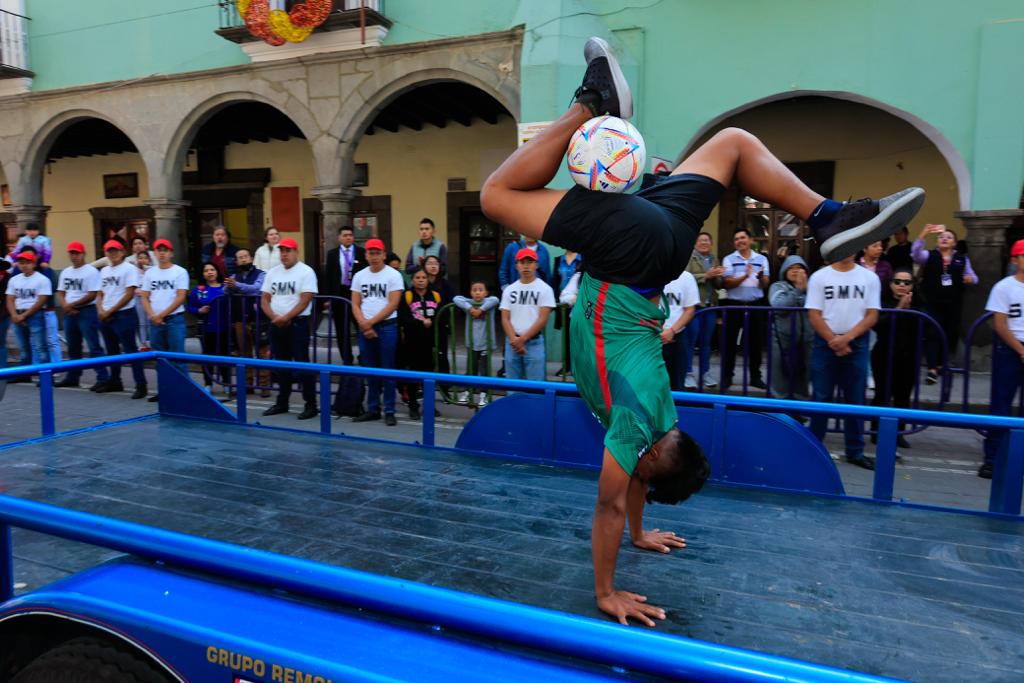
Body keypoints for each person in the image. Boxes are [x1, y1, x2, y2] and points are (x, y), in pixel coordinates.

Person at [478, 36, 922, 625]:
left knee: (733, 144)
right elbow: (611, 505)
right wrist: (607, 593)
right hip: (630, 254)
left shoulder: (661, 424)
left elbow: (636, 485)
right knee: (497, 196)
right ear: (649, 459)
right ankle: (589, 106)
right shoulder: (635, 432)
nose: (632, 476)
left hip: (661, 248)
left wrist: (641, 534)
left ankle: (827, 215)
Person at [806, 256, 881, 470]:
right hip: (826, 342)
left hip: (855, 342)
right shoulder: (819, 277)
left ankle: (855, 450)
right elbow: (814, 314)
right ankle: (814, 446)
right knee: (821, 397)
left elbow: (872, 315)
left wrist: (845, 339)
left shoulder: (869, 277)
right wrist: (834, 340)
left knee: (855, 398)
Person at [979, 240, 1024, 479]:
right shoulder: (1004, 287)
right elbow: (1000, 324)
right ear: (1015, 260)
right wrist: (1020, 350)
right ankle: (993, 459)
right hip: (1009, 348)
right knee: (1000, 405)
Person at [260, 238, 319, 420]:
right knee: (281, 365)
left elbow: (305, 299)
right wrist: (274, 317)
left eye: (288, 250)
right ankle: (282, 401)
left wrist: (286, 317)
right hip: (276, 324)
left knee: (302, 365)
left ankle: (311, 404)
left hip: (297, 324)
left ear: (296, 252)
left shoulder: (306, 271)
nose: (284, 254)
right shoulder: (273, 272)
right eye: (282, 251)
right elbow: (265, 299)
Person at [913, 224, 978, 385]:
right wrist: (923, 233)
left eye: (949, 237)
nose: (944, 239)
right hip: (933, 302)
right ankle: (932, 369)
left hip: (953, 303)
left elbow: (974, 278)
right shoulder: (929, 255)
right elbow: (915, 254)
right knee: (932, 333)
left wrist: (970, 278)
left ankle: (943, 364)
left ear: (954, 243)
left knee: (949, 334)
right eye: (941, 237)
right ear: (937, 241)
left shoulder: (962, 259)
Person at [350, 238, 404, 426]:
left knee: (388, 369)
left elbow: (393, 304)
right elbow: (355, 303)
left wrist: (369, 323)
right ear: (365, 255)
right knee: (370, 369)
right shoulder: (359, 276)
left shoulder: (393, 275)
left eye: (377, 253)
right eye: (370, 253)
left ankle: (389, 409)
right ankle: (373, 408)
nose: (373, 257)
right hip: (365, 327)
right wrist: (364, 324)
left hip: (387, 326)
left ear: (383, 255)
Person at [870, 266, 919, 450]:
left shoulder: (919, 303)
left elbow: (926, 326)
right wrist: (899, 309)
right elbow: (878, 325)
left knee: (903, 396)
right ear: (890, 284)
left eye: (907, 282)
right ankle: (875, 431)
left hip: (908, 356)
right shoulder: (882, 302)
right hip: (884, 354)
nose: (902, 285)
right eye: (897, 281)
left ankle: (899, 433)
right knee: (882, 393)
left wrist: (909, 309)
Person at [720, 227, 770, 390]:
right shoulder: (729, 259)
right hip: (734, 305)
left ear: (750, 240)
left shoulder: (761, 259)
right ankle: (727, 376)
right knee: (729, 342)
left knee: (756, 343)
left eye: (742, 238)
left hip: (755, 305)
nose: (739, 241)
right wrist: (745, 275)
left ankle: (755, 377)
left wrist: (761, 278)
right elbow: (727, 283)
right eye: (736, 239)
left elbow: (765, 284)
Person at [96, 240, 148, 399]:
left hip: (124, 314)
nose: (112, 254)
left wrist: (110, 310)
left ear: (122, 252)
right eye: (109, 251)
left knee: (131, 351)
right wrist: (100, 309)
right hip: (106, 315)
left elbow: (129, 293)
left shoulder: (129, 268)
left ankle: (141, 384)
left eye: (115, 251)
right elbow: (100, 293)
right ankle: (115, 380)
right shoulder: (104, 270)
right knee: (111, 351)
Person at [54, 242, 109, 390]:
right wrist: (65, 305)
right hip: (69, 312)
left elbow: (92, 294)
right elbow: (61, 292)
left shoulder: (91, 271)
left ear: (83, 254)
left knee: (93, 346)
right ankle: (73, 377)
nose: (74, 256)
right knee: (73, 346)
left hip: (86, 311)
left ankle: (103, 377)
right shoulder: (66, 272)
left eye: (77, 253)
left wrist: (72, 305)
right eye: (72, 253)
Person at [141, 239, 190, 402]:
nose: (162, 253)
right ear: (154, 253)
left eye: (165, 250)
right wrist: (152, 315)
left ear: (171, 253)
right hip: (155, 322)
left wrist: (160, 315)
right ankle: (165, 391)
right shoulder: (150, 273)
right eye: (159, 250)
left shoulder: (180, 272)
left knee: (178, 358)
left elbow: (181, 297)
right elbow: (144, 296)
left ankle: (184, 392)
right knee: (160, 360)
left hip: (174, 320)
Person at [499, 248, 555, 381]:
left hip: (534, 343)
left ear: (536, 265)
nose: (526, 266)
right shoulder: (509, 290)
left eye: (530, 262)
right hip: (512, 343)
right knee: (513, 386)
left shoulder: (545, 289)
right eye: (522, 262)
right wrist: (515, 340)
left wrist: (522, 340)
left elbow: (543, 319)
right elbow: (505, 318)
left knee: (535, 387)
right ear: (516, 266)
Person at [225, 247, 270, 396]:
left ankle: (264, 386)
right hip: (240, 319)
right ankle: (247, 385)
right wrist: (229, 287)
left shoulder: (262, 274)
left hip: (258, 319)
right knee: (244, 354)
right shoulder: (234, 276)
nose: (243, 259)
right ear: (237, 262)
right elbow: (224, 291)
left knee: (262, 353)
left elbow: (256, 289)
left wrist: (236, 286)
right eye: (240, 257)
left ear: (251, 258)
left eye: (245, 256)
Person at [684, 232, 725, 389]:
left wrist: (719, 275)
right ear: (695, 244)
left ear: (711, 243)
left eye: (707, 240)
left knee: (706, 343)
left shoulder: (714, 259)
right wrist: (706, 275)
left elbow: (719, 285)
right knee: (691, 340)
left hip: (710, 305)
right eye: (701, 240)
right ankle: (688, 373)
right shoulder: (690, 257)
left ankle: (705, 373)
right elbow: (685, 277)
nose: (704, 243)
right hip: (694, 305)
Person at [399, 267, 441, 420]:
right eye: (417, 278)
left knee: (429, 374)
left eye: (423, 277)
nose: (421, 280)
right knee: (413, 375)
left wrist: (432, 323)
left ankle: (429, 406)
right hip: (412, 342)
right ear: (412, 280)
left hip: (430, 343)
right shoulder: (407, 296)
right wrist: (421, 323)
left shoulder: (435, 296)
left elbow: (441, 316)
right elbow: (404, 318)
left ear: (427, 279)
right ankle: (413, 406)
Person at [767, 255, 811, 400]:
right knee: (781, 380)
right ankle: (780, 409)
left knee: (801, 380)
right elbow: (778, 305)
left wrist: (803, 290)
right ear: (784, 270)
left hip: (805, 342)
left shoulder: (812, 288)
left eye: (799, 268)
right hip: (782, 341)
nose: (795, 271)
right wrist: (798, 290)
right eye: (791, 268)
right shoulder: (777, 286)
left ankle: (800, 407)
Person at [322, 226, 366, 366]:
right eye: (345, 235)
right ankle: (346, 358)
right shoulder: (332, 254)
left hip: (356, 293)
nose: (348, 237)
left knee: (361, 325)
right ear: (339, 238)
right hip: (339, 293)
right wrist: (328, 298)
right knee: (342, 328)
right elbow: (328, 276)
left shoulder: (361, 252)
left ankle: (363, 356)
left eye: (350, 235)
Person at [453, 281, 499, 407]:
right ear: (470, 292)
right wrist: (470, 308)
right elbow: (456, 298)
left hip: (486, 344)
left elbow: (495, 299)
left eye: (480, 290)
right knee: (470, 369)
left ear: (486, 293)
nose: (477, 292)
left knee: (484, 370)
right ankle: (468, 392)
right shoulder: (469, 303)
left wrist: (481, 309)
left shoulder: (489, 302)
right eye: (474, 290)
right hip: (472, 343)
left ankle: (484, 394)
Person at [188, 263, 232, 394]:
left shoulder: (225, 288)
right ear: (203, 274)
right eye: (206, 270)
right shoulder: (199, 290)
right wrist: (199, 310)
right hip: (206, 329)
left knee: (225, 356)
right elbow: (190, 307)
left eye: (212, 269)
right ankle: (208, 383)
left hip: (224, 329)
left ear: (217, 271)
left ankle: (226, 382)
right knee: (207, 357)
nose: (209, 272)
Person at [5, 252, 51, 367]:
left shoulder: (42, 279)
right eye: (21, 263)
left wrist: (23, 316)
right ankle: (25, 373)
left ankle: (45, 374)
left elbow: (41, 301)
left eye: (27, 263)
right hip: (17, 314)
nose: (24, 265)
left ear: (34, 264)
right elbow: (10, 299)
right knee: (23, 348)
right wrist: (14, 315)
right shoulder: (14, 280)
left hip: (35, 315)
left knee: (41, 347)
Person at [660, 270, 699, 392]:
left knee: (677, 383)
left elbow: (690, 309)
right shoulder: (645, 272)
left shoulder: (686, 277)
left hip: (677, 336)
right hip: (649, 337)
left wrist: (672, 331)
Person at [424, 254, 455, 378]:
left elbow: (453, 300)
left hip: (441, 324)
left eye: (436, 264)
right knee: (426, 353)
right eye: (430, 263)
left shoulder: (445, 284)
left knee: (442, 353)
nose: (433, 266)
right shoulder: (421, 282)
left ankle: (444, 383)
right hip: (425, 324)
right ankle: (427, 381)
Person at [555, 250, 582, 375]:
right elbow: (556, 283)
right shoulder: (559, 260)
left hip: (590, 315)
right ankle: (568, 366)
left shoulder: (582, 258)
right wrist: (578, 298)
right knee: (569, 338)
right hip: (569, 308)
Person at [132, 250, 153, 351]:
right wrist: (137, 290)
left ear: (149, 260)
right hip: (138, 298)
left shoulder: (152, 271)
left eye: (145, 258)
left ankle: (152, 342)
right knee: (141, 322)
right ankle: (143, 343)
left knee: (150, 321)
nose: (143, 260)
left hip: (150, 299)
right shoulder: (134, 271)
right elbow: (132, 285)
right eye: (140, 258)